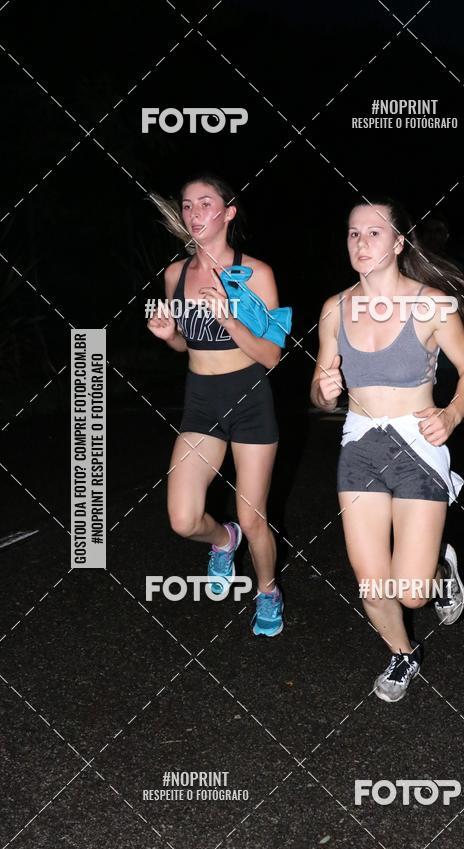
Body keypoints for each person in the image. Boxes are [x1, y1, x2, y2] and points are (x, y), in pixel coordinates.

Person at [311, 197, 464, 702]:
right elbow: (319, 387)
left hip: (418, 443)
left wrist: (452, 414)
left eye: (374, 233)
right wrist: (324, 393)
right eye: (353, 233)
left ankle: (441, 566)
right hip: (360, 447)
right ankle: (403, 654)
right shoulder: (335, 308)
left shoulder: (431, 304)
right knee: (373, 585)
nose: (361, 242)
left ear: (398, 243)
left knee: (412, 592)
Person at [147, 173, 284, 636]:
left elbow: (271, 356)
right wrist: (171, 336)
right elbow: (187, 347)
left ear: (229, 212)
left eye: (206, 203)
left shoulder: (257, 273)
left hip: (249, 398)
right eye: (187, 205)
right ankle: (224, 540)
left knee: (254, 515)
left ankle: (268, 591)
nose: (194, 213)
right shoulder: (175, 274)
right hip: (200, 402)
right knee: (183, 519)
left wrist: (229, 318)